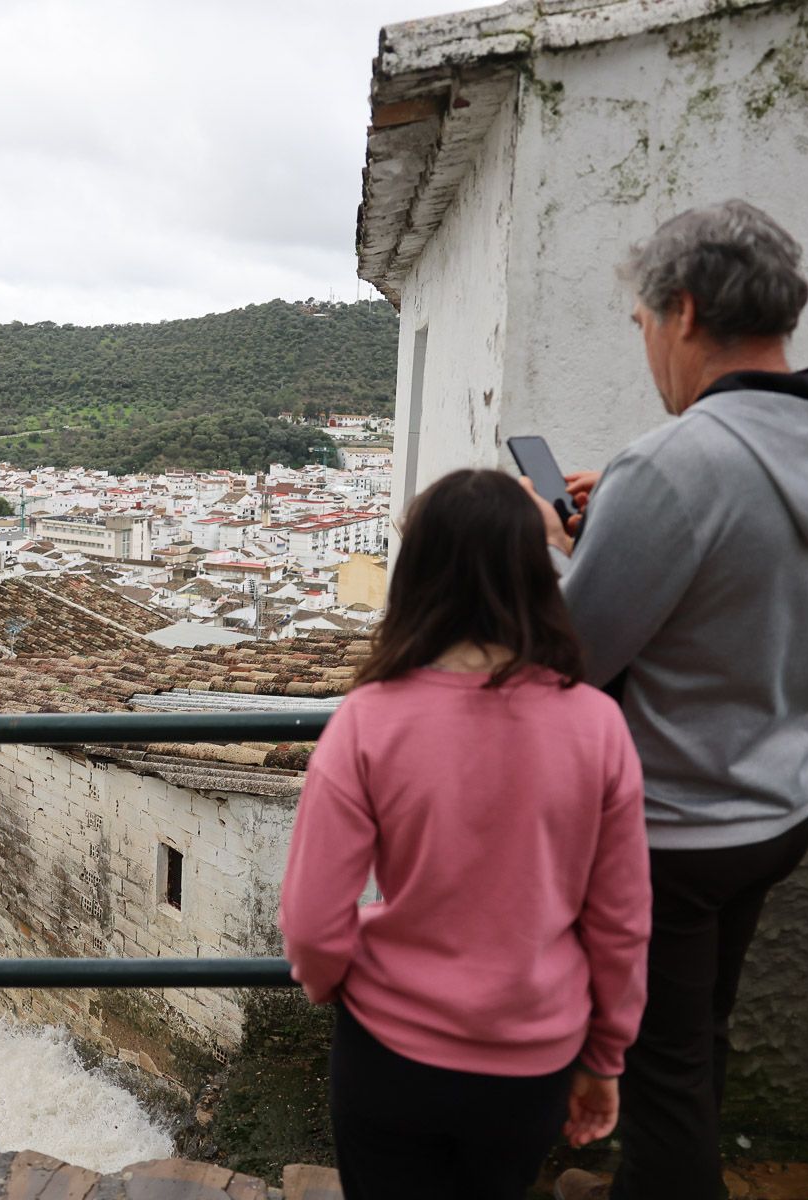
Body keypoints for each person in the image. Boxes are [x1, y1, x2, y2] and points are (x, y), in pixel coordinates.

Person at [537, 201, 808, 1200]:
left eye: (644, 325)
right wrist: (610, 535)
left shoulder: (676, 463)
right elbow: (770, 602)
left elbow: (575, 654)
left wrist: (547, 546)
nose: (650, 350)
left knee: (665, 1077)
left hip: (673, 827)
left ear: (683, 312)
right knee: (699, 1038)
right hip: (776, 802)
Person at [278, 468, 652, 1199]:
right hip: (530, 1057)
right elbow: (621, 921)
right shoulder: (596, 725)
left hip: (390, 1048)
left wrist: (332, 987)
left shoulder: (370, 719)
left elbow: (313, 922)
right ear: (537, 574)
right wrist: (605, 1057)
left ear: (415, 573)